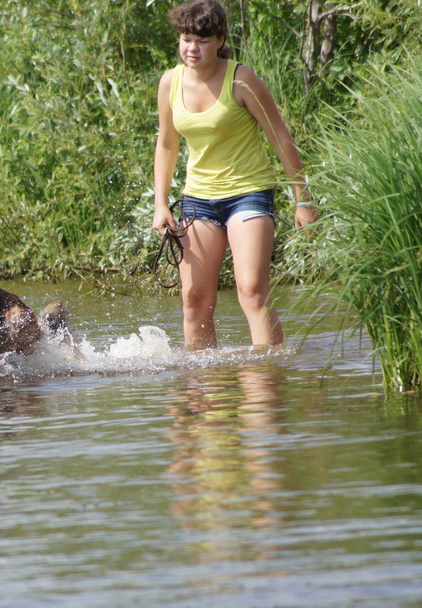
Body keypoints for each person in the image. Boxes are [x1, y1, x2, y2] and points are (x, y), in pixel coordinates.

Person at [152, 1, 317, 350]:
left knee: (251, 290)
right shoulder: (170, 82)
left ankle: (267, 375)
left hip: (249, 194)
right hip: (198, 200)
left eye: (202, 41)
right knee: (194, 299)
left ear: (220, 40)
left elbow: (280, 137)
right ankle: (206, 380)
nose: (192, 48)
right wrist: (160, 204)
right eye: (186, 39)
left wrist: (302, 199)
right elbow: (166, 144)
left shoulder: (241, 80)